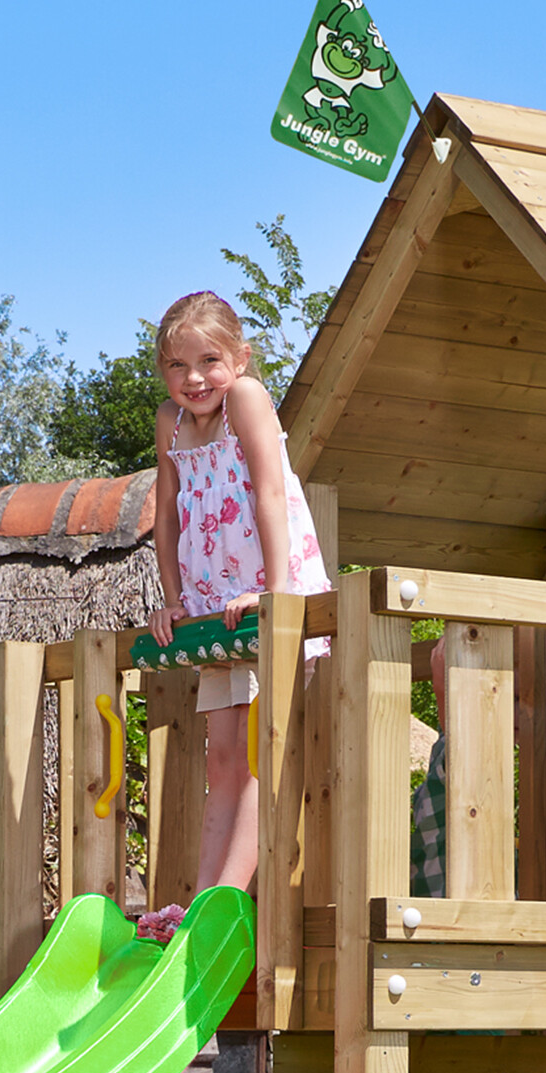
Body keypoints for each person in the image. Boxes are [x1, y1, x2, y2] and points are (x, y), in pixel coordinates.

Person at [134, 291, 332, 942]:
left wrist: (276, 591)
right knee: (222, 759)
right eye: (176, 366)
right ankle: (204, 902)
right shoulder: (171, 421)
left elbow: (271, 490)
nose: (193, 379)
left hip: (262, 602)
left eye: (208, 361)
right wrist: (172, 599)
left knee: (253, 756)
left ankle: (222, 902)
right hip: (216, 611)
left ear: (240, 358)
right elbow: (166, 517)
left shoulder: (246, 398)